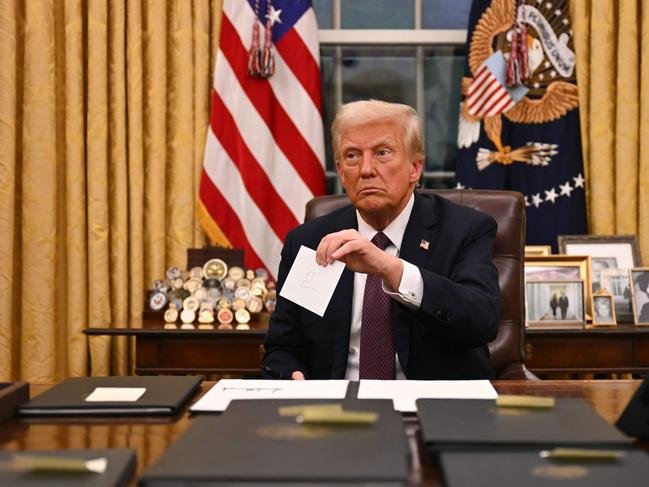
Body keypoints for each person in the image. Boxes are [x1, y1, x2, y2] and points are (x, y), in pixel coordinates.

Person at [262, 99, 501, 381]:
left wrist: (392, 269)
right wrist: (291, 374)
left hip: (433, 410)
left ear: (415, 168)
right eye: (352, 156)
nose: (366, 169)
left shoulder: (464, 229)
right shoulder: (312, 241)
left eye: (382, 153)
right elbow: (283, 348)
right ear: (341, 172)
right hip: (335, 411)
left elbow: (482, 320)